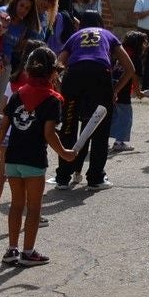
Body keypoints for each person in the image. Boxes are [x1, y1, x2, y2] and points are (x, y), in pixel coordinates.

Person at [0, 47, 75, 267]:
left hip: (12, 158)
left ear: (28, 71)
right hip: (34, 160)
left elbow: (3, 125)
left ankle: (11, 250)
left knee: (16, 205)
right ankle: (28, 252)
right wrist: (65, 153)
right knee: (34, 208)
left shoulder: (18, 94)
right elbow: (49, 134)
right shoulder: (53, 99)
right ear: (52, 73)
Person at [54, 22, 128, 189]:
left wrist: (61, 88)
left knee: (68, 126)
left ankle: (63, 177)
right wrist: (115, 90)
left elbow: (57, 66)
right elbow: (129, 68)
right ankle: (95, 178)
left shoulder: (74, 36)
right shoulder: (108, 34)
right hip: (99, 75)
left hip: (74, 76)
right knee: (100, 127)